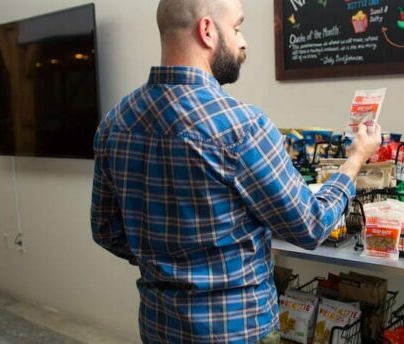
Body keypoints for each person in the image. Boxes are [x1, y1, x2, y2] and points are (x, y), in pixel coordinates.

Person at [90, 0, 382, 343]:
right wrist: (355, 160)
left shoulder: (115, 122)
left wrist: (168, 266)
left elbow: (106, 230)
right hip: (236, 329)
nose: (243, 42)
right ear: (208, 31)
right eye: (237, 27)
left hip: (159, 323)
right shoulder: (242, 125)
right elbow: (311, 226)